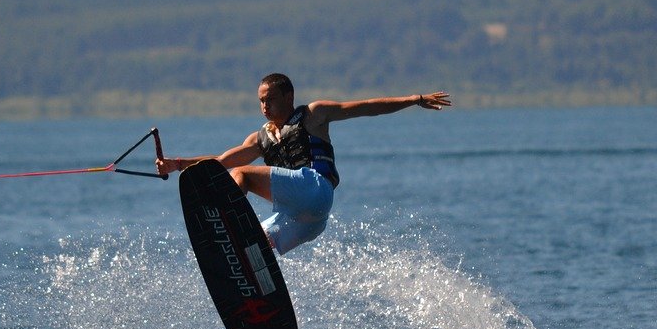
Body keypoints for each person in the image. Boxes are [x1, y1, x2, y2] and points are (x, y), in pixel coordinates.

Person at [157, 73, 451, 254]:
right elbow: (220, 162)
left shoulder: (314, 114)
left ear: (289, 96)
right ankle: (253, 279)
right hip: (307, 221)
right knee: (255, 242)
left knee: (242, 176)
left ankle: (224, 228)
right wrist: (177, 163)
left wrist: (415, 99)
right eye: (260, 101)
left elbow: (365, 107)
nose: (264, 106)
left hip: (315, 189)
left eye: (270, 99)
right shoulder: (260, 138)